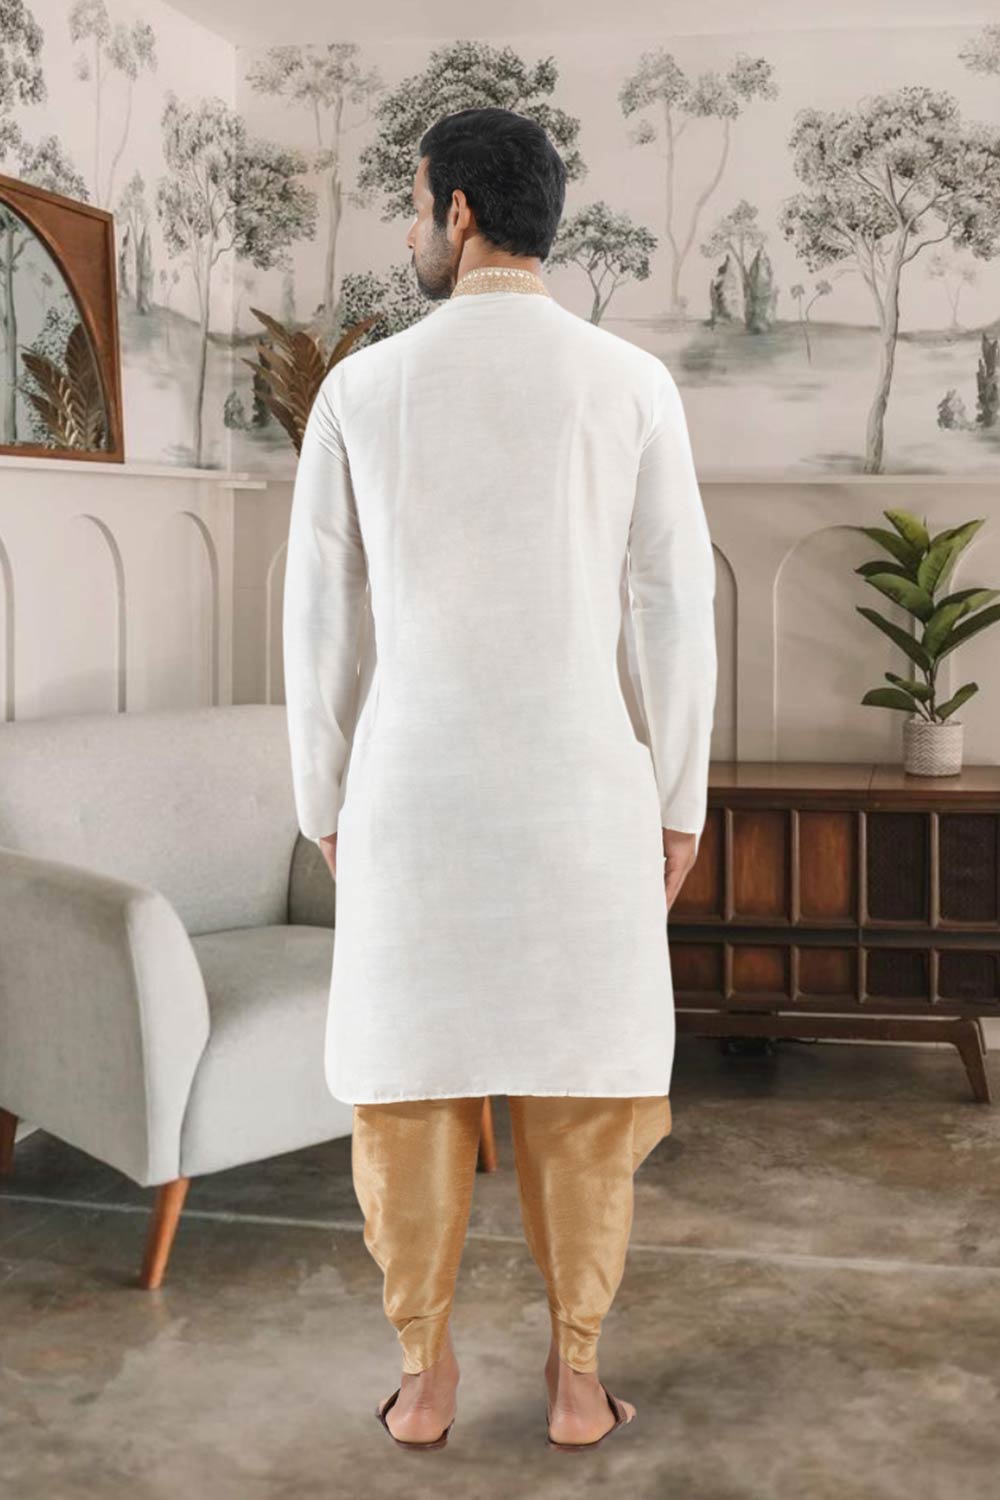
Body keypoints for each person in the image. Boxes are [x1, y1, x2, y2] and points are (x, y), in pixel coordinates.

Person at [282, 106, 717, 1452]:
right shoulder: (630, 383)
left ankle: (426, 1379)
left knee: (409, 1090)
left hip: (412, 798)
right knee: (585, 1095)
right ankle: (577, 1380)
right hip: (584, 795)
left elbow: (321, 615)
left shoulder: (363, 390)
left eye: (414, 203)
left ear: (460, 210)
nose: (410, 228)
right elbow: (674, 604)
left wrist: (323, 801)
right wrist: (680, 801)